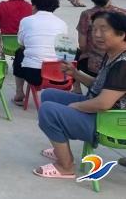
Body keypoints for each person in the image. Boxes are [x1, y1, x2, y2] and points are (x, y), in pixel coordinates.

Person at [34, 11, 126, 179]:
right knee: (49, 95)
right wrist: (75, 73)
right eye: (94, 29)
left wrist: (76, 106)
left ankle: (65, 166)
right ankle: (61, 150)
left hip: (111, 123)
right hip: (102, 112)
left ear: (122, 33)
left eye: (103, 29)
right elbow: (100, 86)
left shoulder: (123, 64)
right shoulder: (112, 53)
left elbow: (104, 103)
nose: (96, 35)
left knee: (48, 111)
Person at [12, 0, 68, 106]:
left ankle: (19, 92)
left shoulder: (26, 21)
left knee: (19, 52)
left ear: (34, 6)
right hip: (58, 74)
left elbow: (21, 44)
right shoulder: (62, 23)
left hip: (34, 74)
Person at [76, 0, 126, 78]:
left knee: (74, 54)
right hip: (119, 65)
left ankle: (76, 84)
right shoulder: (123, 13)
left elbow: (82, 45)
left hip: (93, 66)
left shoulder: (87, 15)